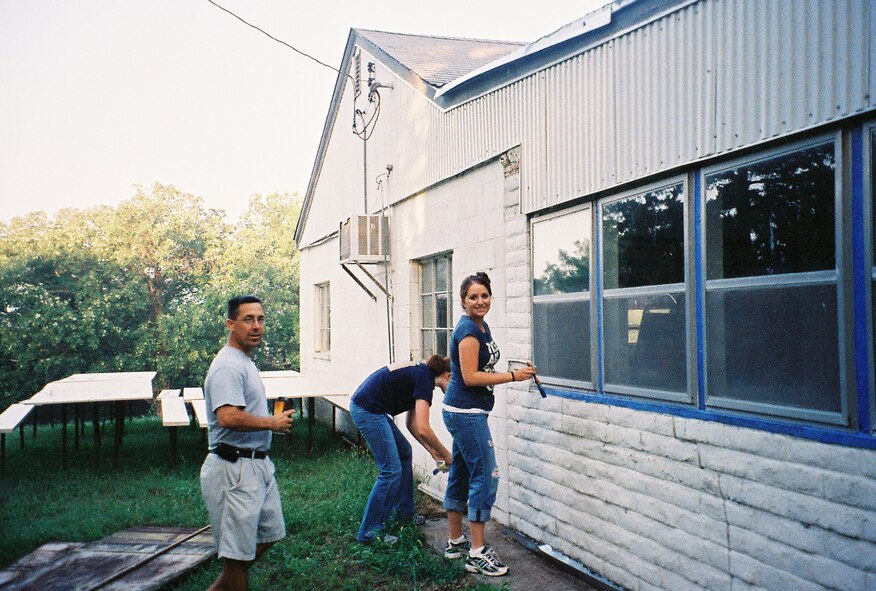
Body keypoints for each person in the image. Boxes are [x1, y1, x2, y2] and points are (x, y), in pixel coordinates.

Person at [442, 272, 537, 577]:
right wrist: (512, 377)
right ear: (462, 301)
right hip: (466, 413)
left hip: (465, 410)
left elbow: (476, 368)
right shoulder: (469, 330)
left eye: (485, 295)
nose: (480, 301)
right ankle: (477, 553)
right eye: (473, 297)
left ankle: (455, 542)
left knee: (461, 473)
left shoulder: (481, 325)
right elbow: (470, 377)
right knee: (486, 474)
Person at [199, 295, 295, 591]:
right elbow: (227, 417)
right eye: (248, 320)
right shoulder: (228, 366)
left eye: (261, 319)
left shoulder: (244, 361)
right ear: (231, 324)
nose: (256, 326)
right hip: (234, 469)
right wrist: (271, 422)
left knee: (269, 534)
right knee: (237, 558)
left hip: (256, 465)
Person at [350, 355, 454, 544]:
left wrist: (431, 450)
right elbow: (423, 427)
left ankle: (403, 514)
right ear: (448, 376)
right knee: (391, 471)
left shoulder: (423, 374)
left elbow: (412, 424)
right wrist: (447, 455)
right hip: (367, 410)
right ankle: (369, 532)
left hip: (372, 408)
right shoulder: (424, 379)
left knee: (404, 452)